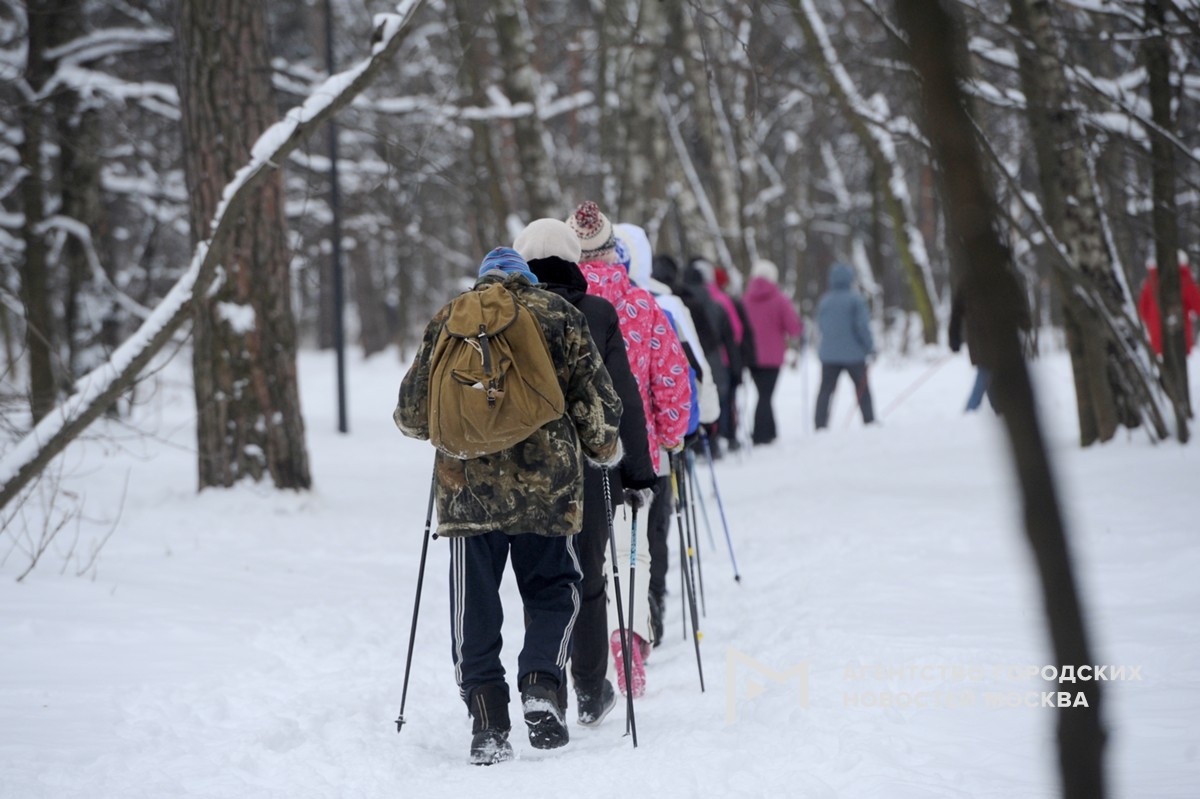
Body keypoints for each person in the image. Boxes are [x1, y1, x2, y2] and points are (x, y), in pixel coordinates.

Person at [394, 247, 622, 765]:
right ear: (528, 280)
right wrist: (606, 450)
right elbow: (598, 407)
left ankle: (488, 723)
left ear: (482, 281)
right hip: (548, 489)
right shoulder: (560, 315)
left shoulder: (450, 319)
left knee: (475, 606)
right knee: (553, 590)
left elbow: (410, 415)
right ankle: (541, 684)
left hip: (466, 490)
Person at [513, 218, 658, 727]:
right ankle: (592, 689)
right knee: (589, 575)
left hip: (523, 468)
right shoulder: (596, 311)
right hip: (591, 468)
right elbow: (622, 398)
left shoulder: (507, 313)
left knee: (540, 579)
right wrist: (638, 473)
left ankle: (544, 685)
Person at [567, 200, 691, 697]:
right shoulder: (641, 303)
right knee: (631, 553)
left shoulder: (556, 304)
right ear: (613, 249)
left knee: (585, 556)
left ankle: (589, 647)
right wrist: (671, 431)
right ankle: (630, 638)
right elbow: (670, 375)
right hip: (639, 447)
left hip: (576, 449)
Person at [617, 224, 720, 647]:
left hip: (598, 446)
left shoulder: (584, 299)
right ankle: (651, 607)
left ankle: (618, 616)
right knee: (654, 527)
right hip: (657, 442)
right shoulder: (666, 304)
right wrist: (696, 424)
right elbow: (688, 372)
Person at [742, 259, 802, 444]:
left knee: (763, 394)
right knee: (766, 395)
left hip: (750, 355)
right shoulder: (779, 299)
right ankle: (761, 434)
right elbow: (793, 328)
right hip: (772, 355)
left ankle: (770, 430)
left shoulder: (745, 299)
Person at [813, 262, 875, 429]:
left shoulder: (825, 301)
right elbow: (862, 326)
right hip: (854, 354)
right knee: (862, 388)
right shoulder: (855, 300)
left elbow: (819, 324)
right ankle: (869, 420)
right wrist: (870, 347)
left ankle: (819, 425)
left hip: (829, 355)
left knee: (825, 391)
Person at [1137, 251, 1200, 356]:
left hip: (1157, 339)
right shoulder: (1183, 278)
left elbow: (1142, 311)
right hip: (1179, 337)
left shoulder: (1150, 281)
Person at [948, 287, 993, 412]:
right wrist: (954, 340)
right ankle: (972, 408)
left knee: (989, 373)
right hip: (980, 340)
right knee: (986, 371)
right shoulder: (968, 283)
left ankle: (996, 408)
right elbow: (956, 315)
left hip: (993, 340)